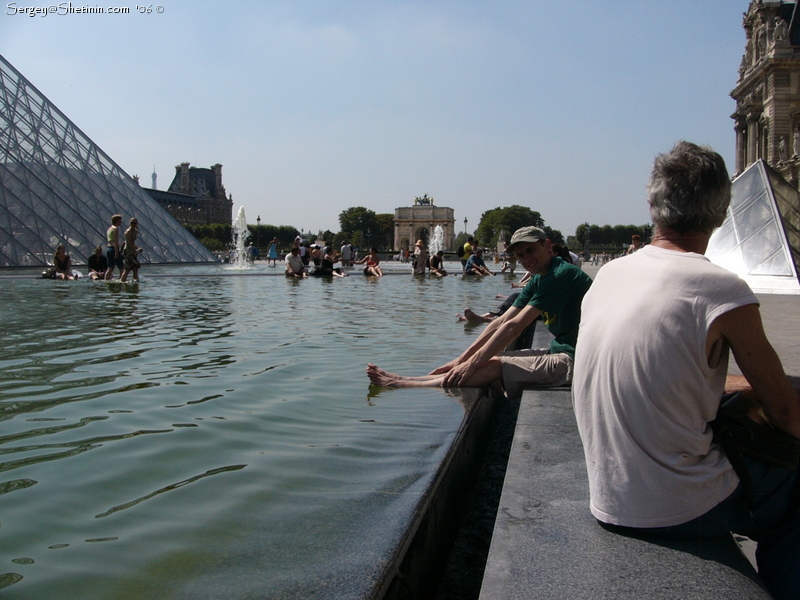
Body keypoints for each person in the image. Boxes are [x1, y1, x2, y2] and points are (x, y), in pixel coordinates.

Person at [572, 141, 800, 600]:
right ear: (722, 213)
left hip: (609, 494)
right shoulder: (721, 288)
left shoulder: (610, 275)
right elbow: (786, 413)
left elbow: (663, 375)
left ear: (652, 205)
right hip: (673, 505)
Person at [367, 226, 592, 397]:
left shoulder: (559, 275)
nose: (526, 259)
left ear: (547, 245)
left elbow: (514, 327)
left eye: (530, 250)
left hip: (579, 362)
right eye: (520, 255)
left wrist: (472, 363)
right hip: (564, 352)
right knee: (486, 361)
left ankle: (404, 384)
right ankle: (411, 379)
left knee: (492, 365)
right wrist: (461, 359)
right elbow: (500, 321)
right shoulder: (541, 277)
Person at [120, 218, 142, 282]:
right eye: (131, 223)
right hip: (128, 252)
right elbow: (129, 243)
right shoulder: (128, 232)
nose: (133, 224)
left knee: (135, 267)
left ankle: (136, 280)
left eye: (134, 223)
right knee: (127, 268)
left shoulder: (133, 231)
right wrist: (135, 251)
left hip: (131, 250)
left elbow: (132, 243)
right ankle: (122, 282)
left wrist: (137, 248)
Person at [105, 214, 124, 280]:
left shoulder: (109, 229)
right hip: (114, 249)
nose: (121, 222)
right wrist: (116, 252)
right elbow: (116, 241)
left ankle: (106, 280)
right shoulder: (115, 229)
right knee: (122, 268)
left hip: (109, 249)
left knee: (110, 268)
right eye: (120, 221)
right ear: (116, 221)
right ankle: (121, 280)